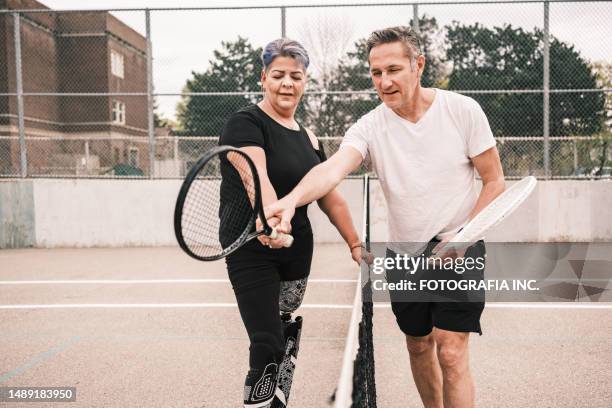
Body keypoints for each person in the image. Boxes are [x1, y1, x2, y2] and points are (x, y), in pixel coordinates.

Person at [265, 27, 505, 408]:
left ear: (419, 65)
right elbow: (333, 169)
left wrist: (461, 236)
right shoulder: (370, 125)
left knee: (451, 352)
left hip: (460, 248)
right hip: (404, 255)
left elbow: (494, 182)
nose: (384, 81)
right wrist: (292, 200)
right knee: (419, 346)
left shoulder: (462, 110)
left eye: (393, 69)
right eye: (376, 73)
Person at [219, 38, 361, 408]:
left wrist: (355, 244)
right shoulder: (244, 123)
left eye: (295, 76)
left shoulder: (309, 137)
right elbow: (257, 180)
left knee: (283, 330)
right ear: (264, 77)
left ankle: (278, 402)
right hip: (249, 247)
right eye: (278, 75)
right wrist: (269, 224)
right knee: (265, 341)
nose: (287, 83)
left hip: (297, 251)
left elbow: (329, 196)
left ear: (305, 82)